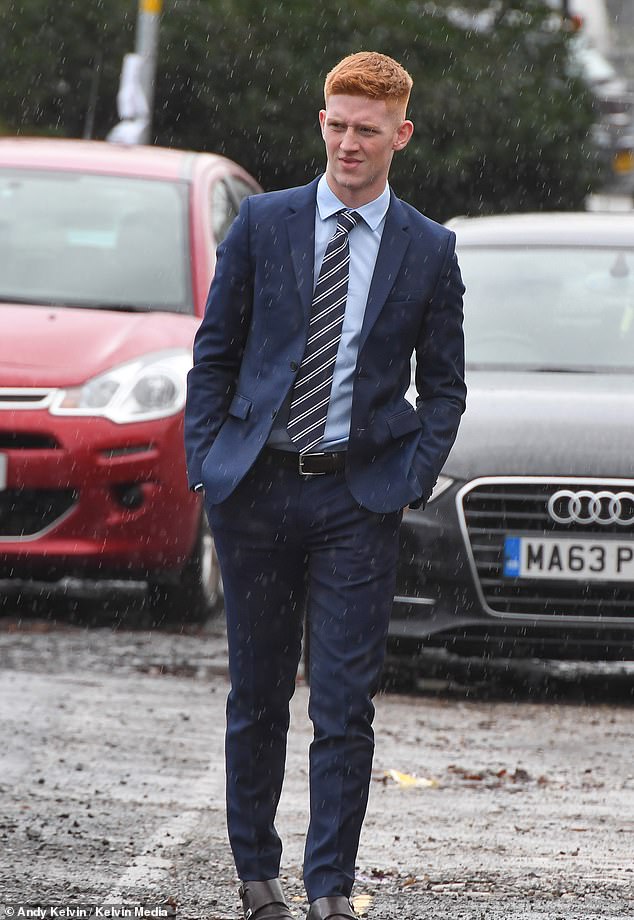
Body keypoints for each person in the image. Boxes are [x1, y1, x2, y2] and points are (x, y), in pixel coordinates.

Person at [185, 51, 466, 920]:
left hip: (358, 499)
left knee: (345, 704)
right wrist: (208, 462)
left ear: (400, 135)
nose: (349, 142)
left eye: (368, 130)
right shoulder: (264, 225)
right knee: (258, 693)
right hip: (257, 492)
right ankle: (256, 876)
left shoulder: (428, 247)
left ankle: (331, 889)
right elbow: (215, 355)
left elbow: (445, 384)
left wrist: (410, 478)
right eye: (337, 125)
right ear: (323, 123)